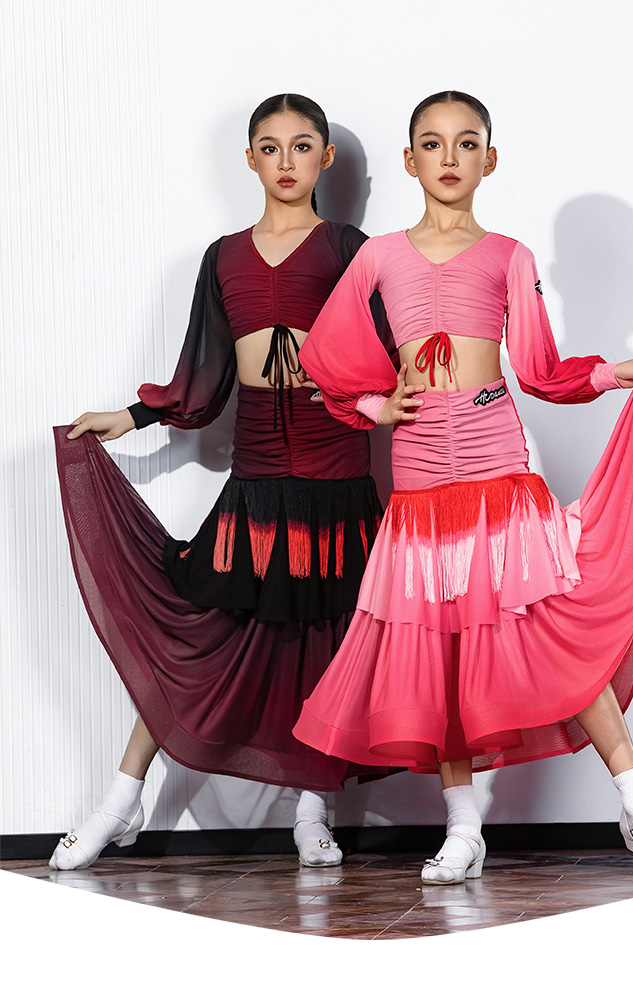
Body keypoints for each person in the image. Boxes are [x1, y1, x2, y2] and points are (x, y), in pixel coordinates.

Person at [293, 91, 633, 886]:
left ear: (489, 158)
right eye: (432, 143)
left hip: (497, 467)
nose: (449, 158)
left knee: (550, 633)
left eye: (466, 142)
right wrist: (377, 406)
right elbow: (327, 360)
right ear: (410, 160)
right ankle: (464, 825)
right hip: (419, 481)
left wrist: (611, 372)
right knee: (440, 650)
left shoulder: (509, 255)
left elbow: (539, 370)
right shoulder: (378, 257)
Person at [50, 93, 394, 872]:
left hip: (337, 472)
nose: (286, 161)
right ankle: (122, 798)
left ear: (325, 158)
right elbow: (203, 379)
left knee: (328, 637)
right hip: (257, 476)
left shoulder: (350, 246)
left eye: (301, 146)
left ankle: (313, 809)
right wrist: (132, 415)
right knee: (206, 625)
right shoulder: (223, 256)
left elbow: (386, 350)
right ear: (249, 159)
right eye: (270, 147)